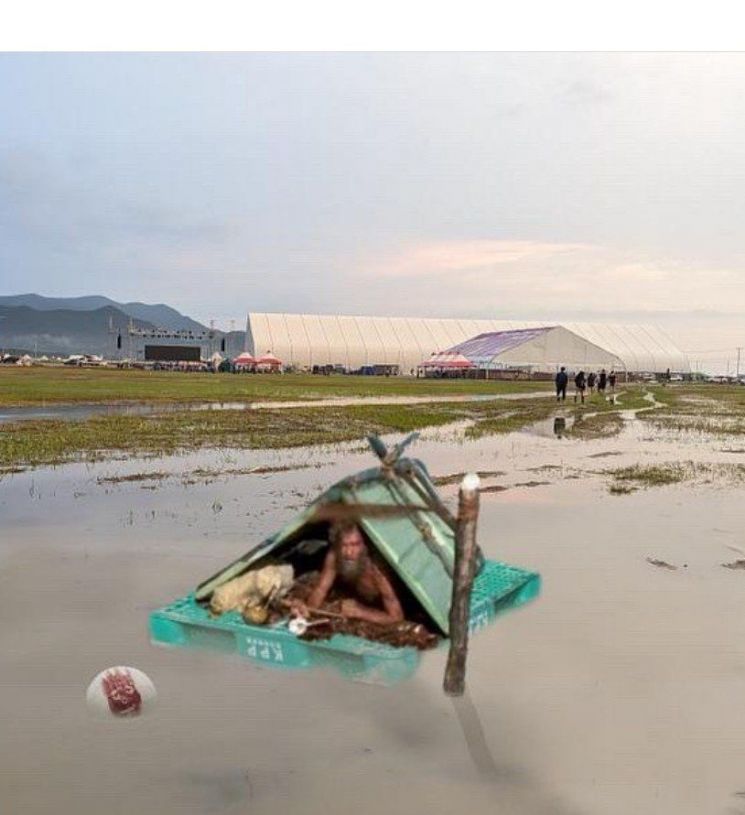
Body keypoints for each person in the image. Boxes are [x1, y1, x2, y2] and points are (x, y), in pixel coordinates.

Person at [298, 522, 405, 625]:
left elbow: (396, 617)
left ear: (364, 545)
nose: (349, 553)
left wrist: (359, 612)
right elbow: (321, 589)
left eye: (355, 545)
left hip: (381, 605)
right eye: (344, 545)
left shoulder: (377, 571)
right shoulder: (335, 556)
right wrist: (308, 610)